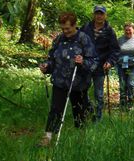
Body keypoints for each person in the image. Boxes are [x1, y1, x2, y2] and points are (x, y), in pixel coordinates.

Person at [39, 12, 98, 146]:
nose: (65, 31)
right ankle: (47, 138)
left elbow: (94, 61)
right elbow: (52, 59)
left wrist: (82, 61)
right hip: (60, 81)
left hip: (79, 83)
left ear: (75, 25)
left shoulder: (84, 39)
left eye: (68, 29)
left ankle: (81, 139)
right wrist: (46, 66)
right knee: (55, 109)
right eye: (63, 29)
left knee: (79, 111)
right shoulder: (59, 39)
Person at [80, 5, 120, 121]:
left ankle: (98, 118)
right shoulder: (86, 27)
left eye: (101, 14)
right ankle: (88, 111)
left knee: (99, 94)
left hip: (100, 66)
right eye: (97, 13)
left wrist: (110, 62)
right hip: (86, 65)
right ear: (93, 14)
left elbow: (115, 50)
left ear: (105, 15)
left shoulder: (109, 31)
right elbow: (78, 42)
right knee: (83, 92)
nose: (99, 16)